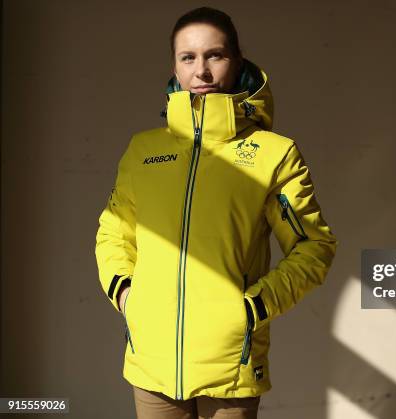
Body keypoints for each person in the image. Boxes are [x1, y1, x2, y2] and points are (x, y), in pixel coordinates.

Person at [94, 6, 338, 419]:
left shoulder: (273, 155)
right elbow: (114, 233)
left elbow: (315, 246)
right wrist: (126, 293)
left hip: (231, 368)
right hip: (149, 363)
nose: (201, 71)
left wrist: (254, 308)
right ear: (174, 65)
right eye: (188, 57)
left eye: (215, 56)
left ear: (237, 60)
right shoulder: (143, 151)